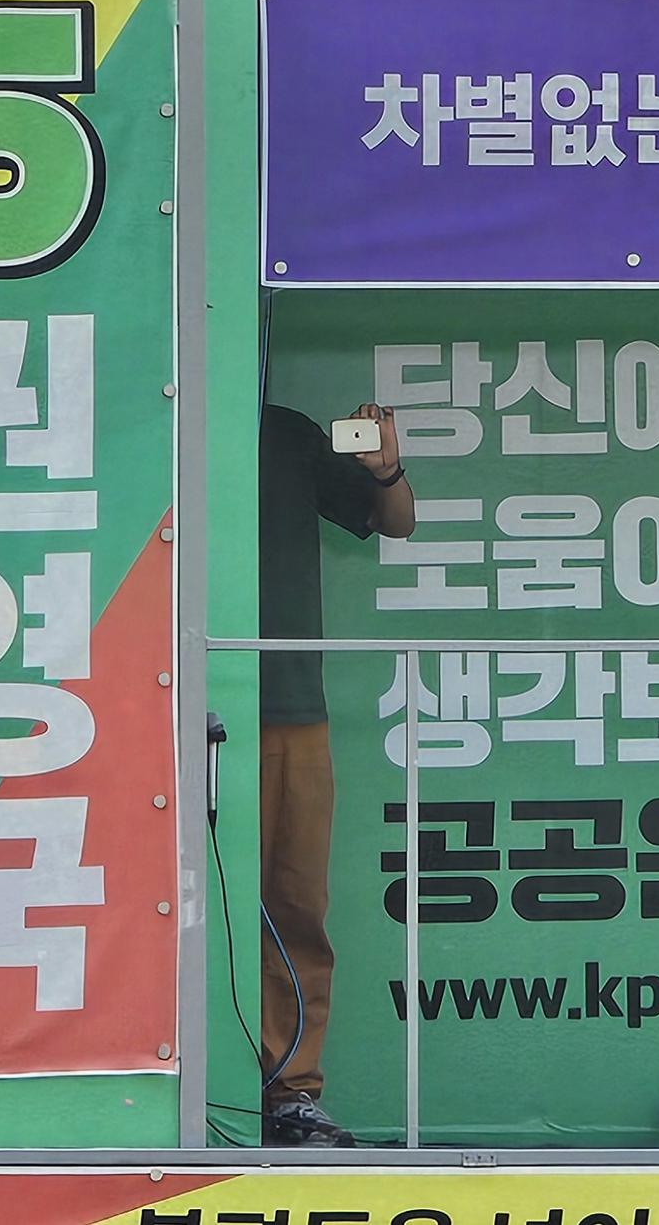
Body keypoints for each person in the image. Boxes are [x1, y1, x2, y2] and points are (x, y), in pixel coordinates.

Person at [257, 399, 414, 1147]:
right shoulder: (133, 423)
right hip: (150, 705)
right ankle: (152, 1085)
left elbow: (396, 520)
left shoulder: (283, 431)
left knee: (293, 908)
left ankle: (289, 1094)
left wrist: (385, 470)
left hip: (288, 707)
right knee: (166, 910)